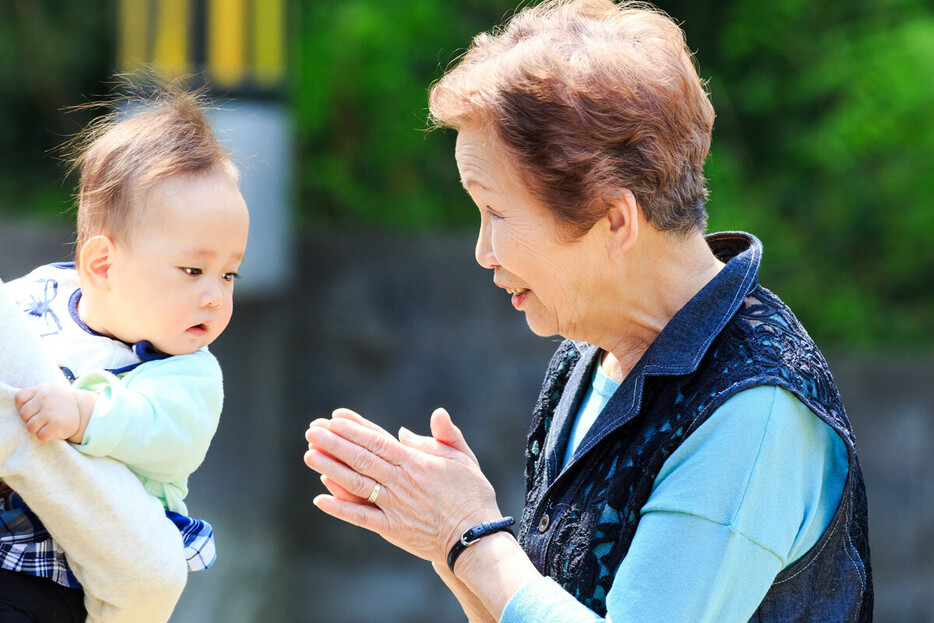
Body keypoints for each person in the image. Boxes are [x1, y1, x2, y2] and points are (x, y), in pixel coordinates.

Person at [302, 1, 872, 621]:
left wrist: (470, 536)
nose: (482, 252)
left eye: (495, 212)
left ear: (615, 220)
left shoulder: (754, 410)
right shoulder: (588, 356)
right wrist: (448, 539)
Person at [0, 85, 249, 622]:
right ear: (104, 266)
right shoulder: (41, 295)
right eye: (193, 270)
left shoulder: (189, 372)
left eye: (229, 273)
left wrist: (84, 412)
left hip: (71, 572)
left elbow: (156, 427)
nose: (215, 294)